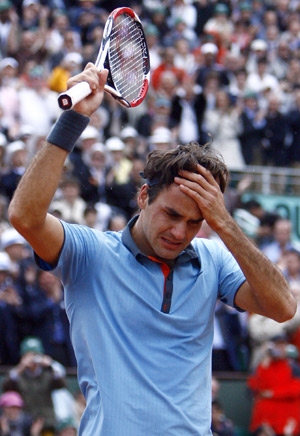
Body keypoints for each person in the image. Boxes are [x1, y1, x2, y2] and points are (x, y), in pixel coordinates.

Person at [7, 64, 297, 436]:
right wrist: (73, 121)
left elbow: (282, 307)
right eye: (172, 214)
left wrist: (223, 223)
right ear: (144, 196)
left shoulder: (215, 258)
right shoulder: (90, 252)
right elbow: (25, 217)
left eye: (195, 221)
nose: (180, 232)